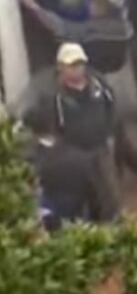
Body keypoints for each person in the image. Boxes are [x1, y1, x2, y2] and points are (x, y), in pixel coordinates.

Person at [51, 42, 120, 221]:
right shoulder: (55, 96)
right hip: (75, 154)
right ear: (61, 67)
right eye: (71, 65)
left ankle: (114, 225)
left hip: (101, 147)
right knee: (83, 195)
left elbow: (111, 108)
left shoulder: (99, 84)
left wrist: (110, 134)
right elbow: (54, 126)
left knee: (110, 192)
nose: (77, 69)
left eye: (80, 64)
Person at [23, 97, 105, 231]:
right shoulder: (81, 157)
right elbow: (97, 201)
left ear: (31, 131)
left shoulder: (29, 164)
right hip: (81, 225)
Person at [21, 0, 133, 75]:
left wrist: (33, 6)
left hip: (83, 63)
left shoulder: (93, 28)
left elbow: (61, 28)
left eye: (94, 2)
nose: (90, 4)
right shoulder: (123, 26)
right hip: (112, 62)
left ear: (103, 8)